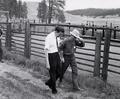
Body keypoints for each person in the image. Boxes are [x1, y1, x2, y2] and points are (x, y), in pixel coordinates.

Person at [44, 26, 64, 94]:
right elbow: (46, 50)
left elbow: (57, 48)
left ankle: (49, 82)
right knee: (53, 73)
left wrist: (60, 57)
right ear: (56, 32)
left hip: (56, 55)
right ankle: (54, 89)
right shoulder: (49, 37)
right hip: (51, 56)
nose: (60, 35)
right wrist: (47, 62)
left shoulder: (57, 37)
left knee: (59, 72)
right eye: (60, 34)